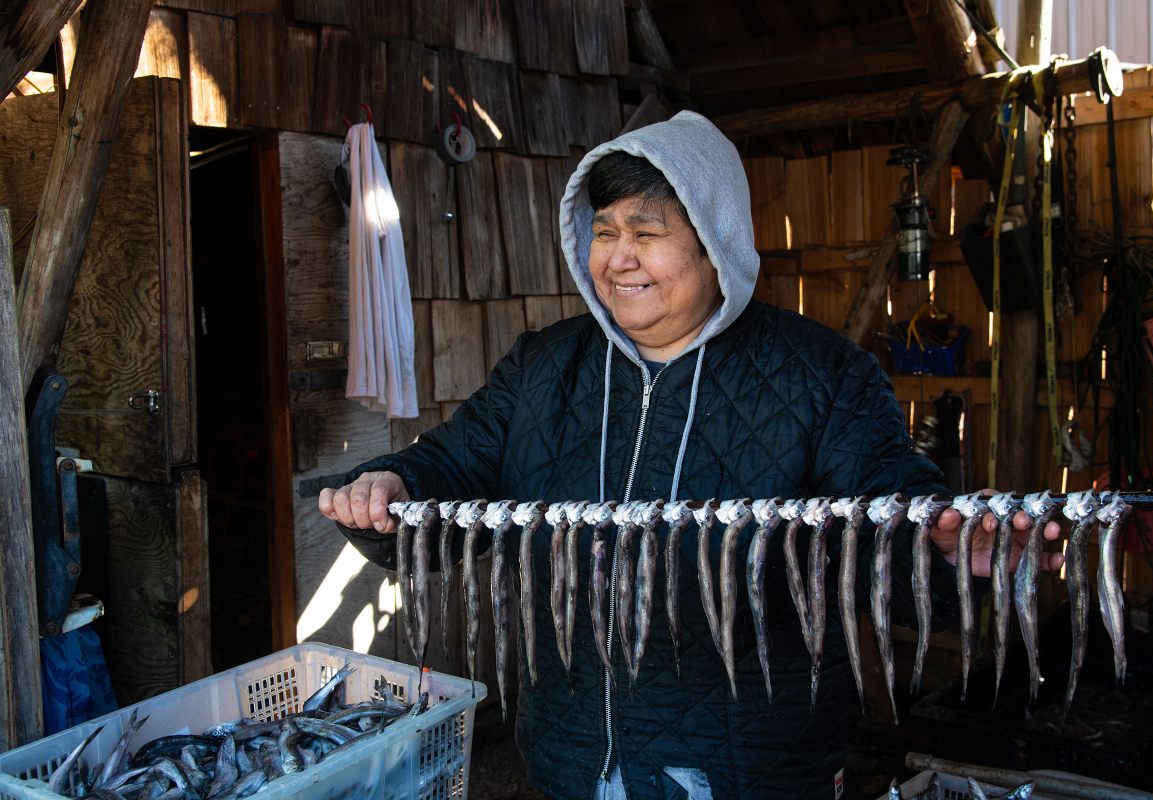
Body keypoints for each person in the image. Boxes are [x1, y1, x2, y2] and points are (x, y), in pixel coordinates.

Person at [319, 111, 1061, 800]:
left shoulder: (823, 376)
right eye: (604, 231)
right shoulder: (543, 369)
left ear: (714, 241)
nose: (619, 258)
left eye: (647, 232)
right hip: (569, 755)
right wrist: (390, 488)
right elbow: (449, 470)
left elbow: (888, 520)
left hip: (752, 767)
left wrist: (948, 550)